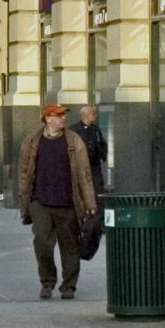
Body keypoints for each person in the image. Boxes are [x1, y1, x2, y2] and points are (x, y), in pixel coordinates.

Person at [17, 104, 99, 299]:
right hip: (40, 203)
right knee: (42, 244)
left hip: (68, 204)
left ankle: (69, 286)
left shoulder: (74, 141)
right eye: (58, 115)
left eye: (64, 115)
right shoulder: (32, 142)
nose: (63, 118)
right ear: (47, 119)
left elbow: (84, 175)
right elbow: (23, 171)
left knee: (70, 247)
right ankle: (47, 282)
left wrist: (90, 204)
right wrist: (25, 199)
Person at [72, 106, 109, 192]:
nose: (95, 116)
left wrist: (102, 155)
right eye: (94, 114)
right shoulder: (74, 130)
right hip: (80, 166)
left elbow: (103, 144)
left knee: (97, 189)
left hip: (95, 166)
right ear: (87, 115)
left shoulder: (95, 129)